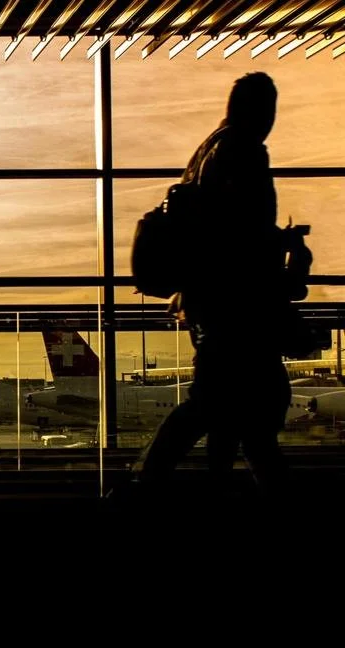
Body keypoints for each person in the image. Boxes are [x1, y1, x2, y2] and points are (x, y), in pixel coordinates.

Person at [130, 72, 305, 501]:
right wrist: (282, 249)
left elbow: (215, 233)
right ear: (262, 109)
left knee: (226, 408)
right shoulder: (245, 151)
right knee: (237, 409)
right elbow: (241, 235)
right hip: (237, 305)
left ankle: (168, 484)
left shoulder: (207, 151)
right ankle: (150, 483)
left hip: (210, 302)